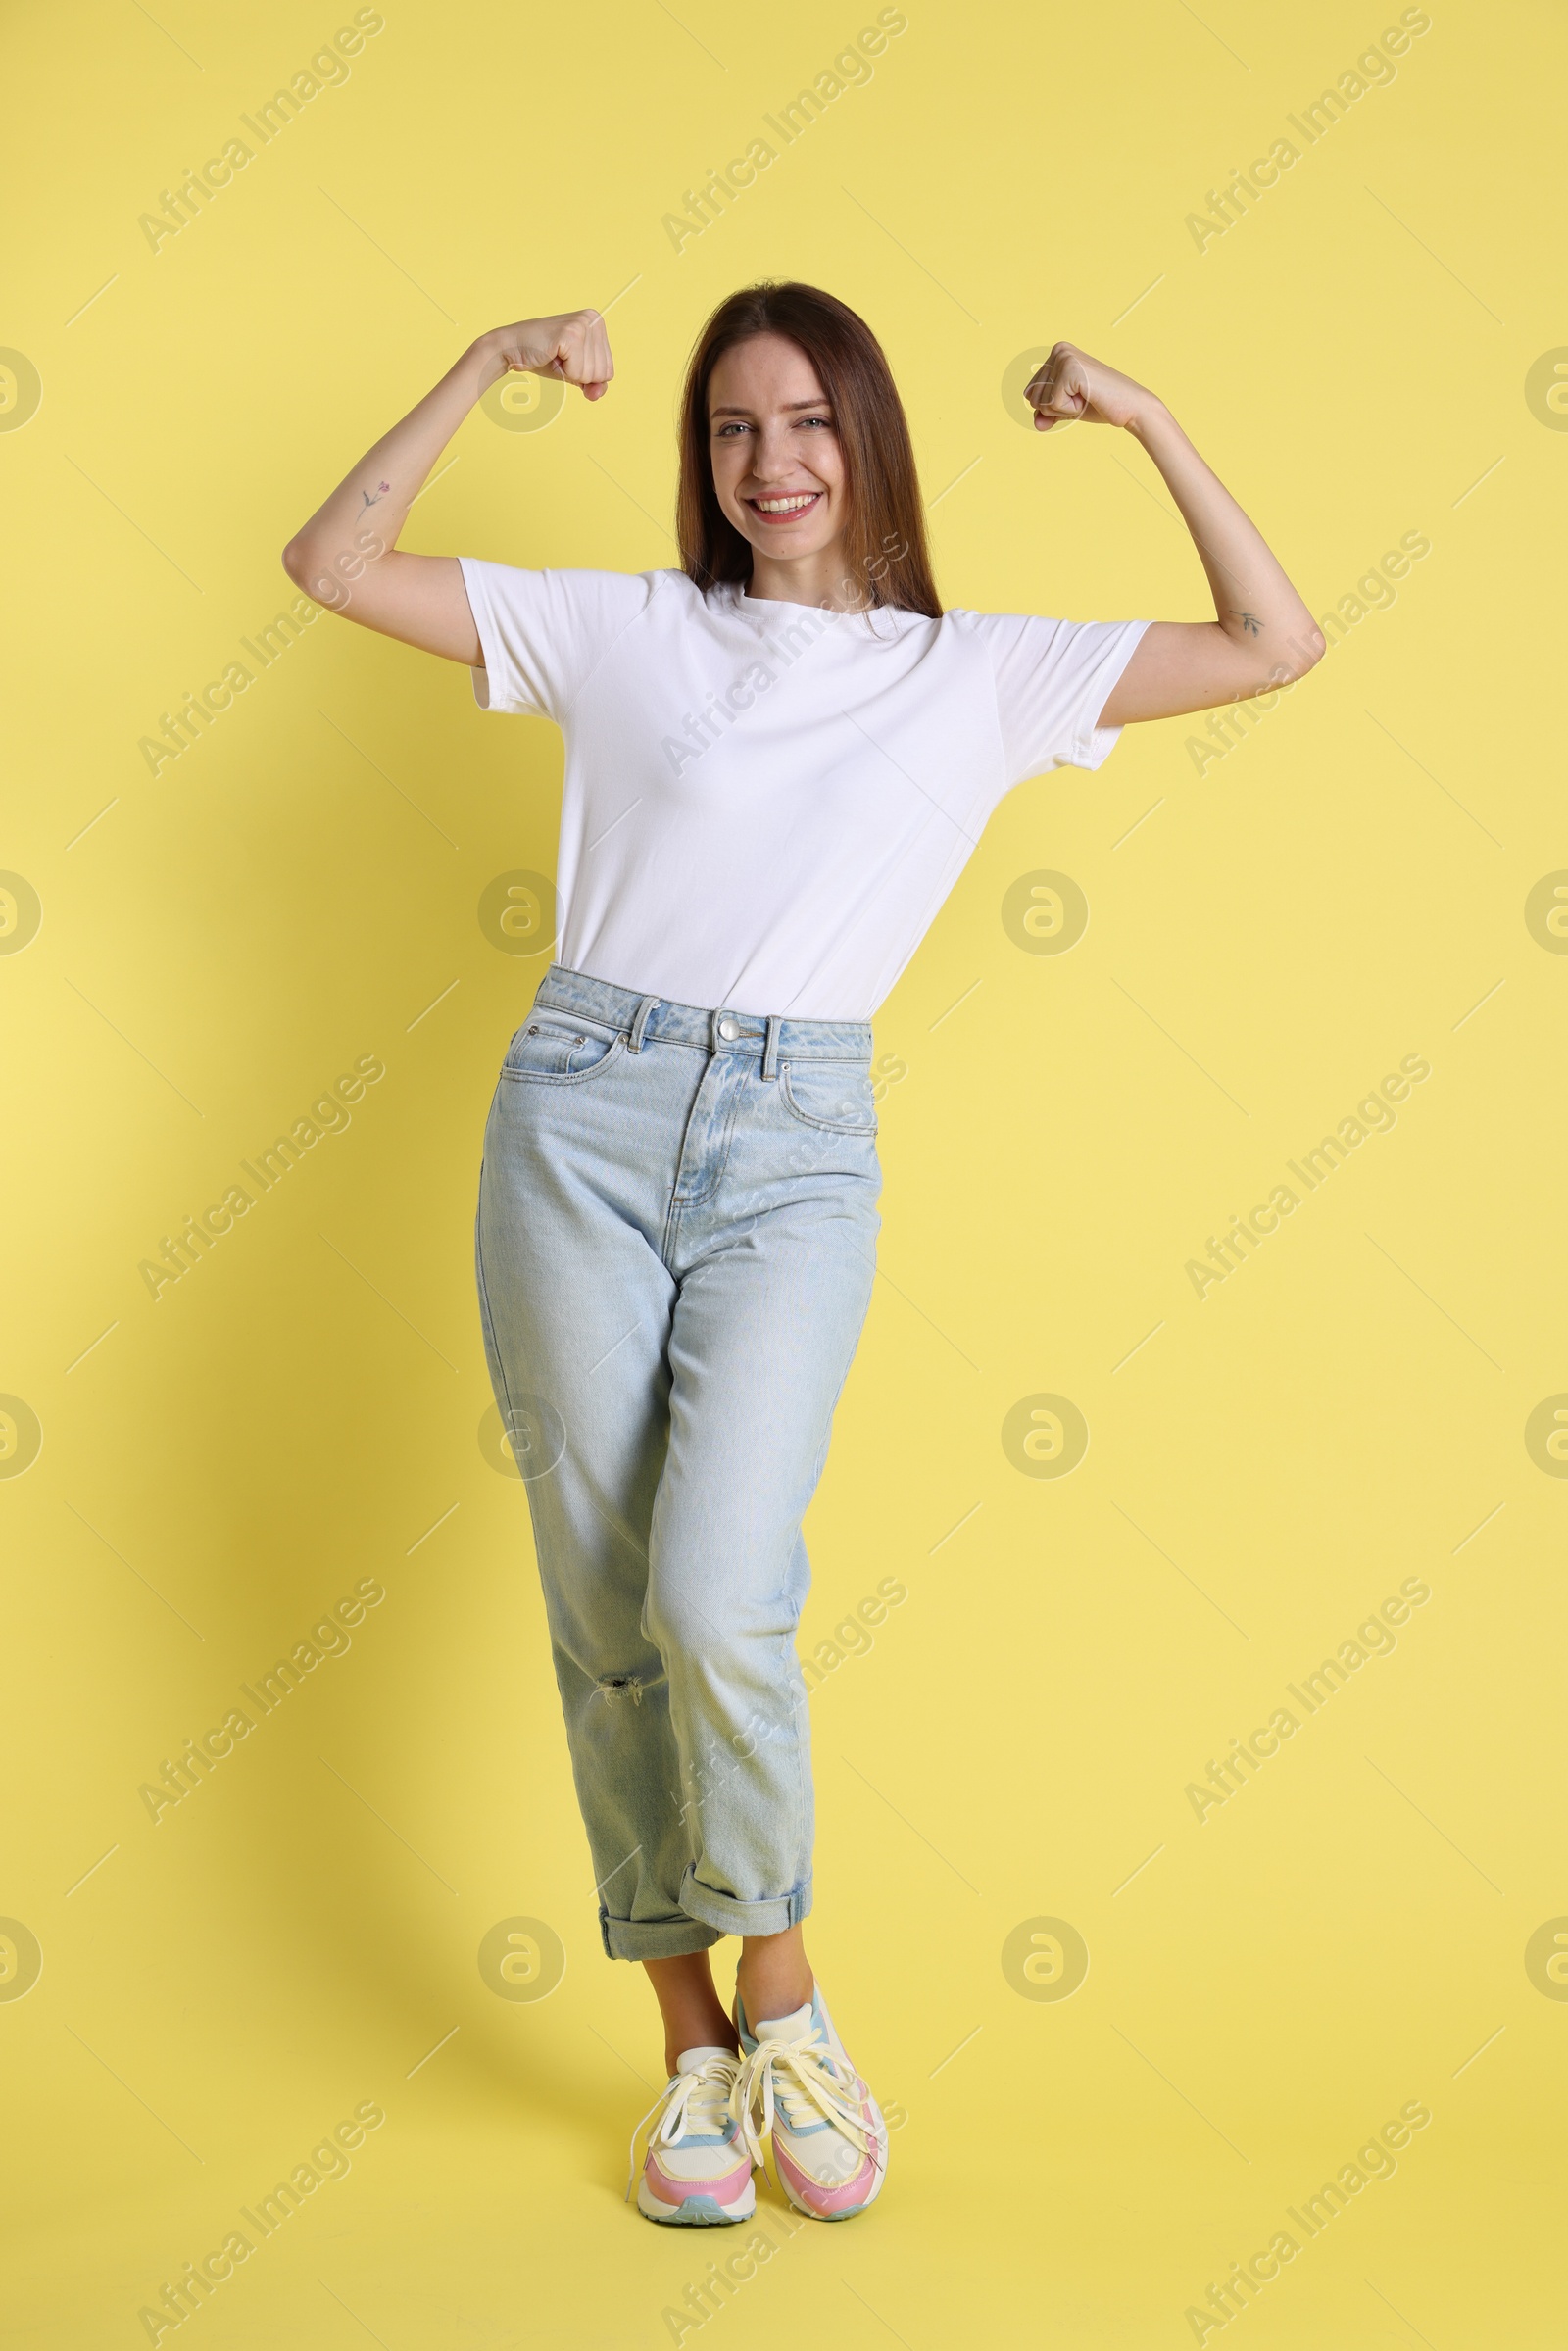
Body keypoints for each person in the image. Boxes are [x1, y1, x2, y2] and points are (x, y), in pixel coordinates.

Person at [282, 280, 1322, 2227]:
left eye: (806, 425)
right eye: (731, 429)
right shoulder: (625, 628)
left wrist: (1148, 418)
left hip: (790, 1144)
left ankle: (789, 2000)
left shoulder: (977, 675)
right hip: (575, 1114)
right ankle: (694, 2057)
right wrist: (486, 365)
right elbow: (332, 562)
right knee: (603, 1609)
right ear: (701, 457)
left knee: (715, 1592)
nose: (769, 465)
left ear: (869, 443)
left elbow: (1275, 641)